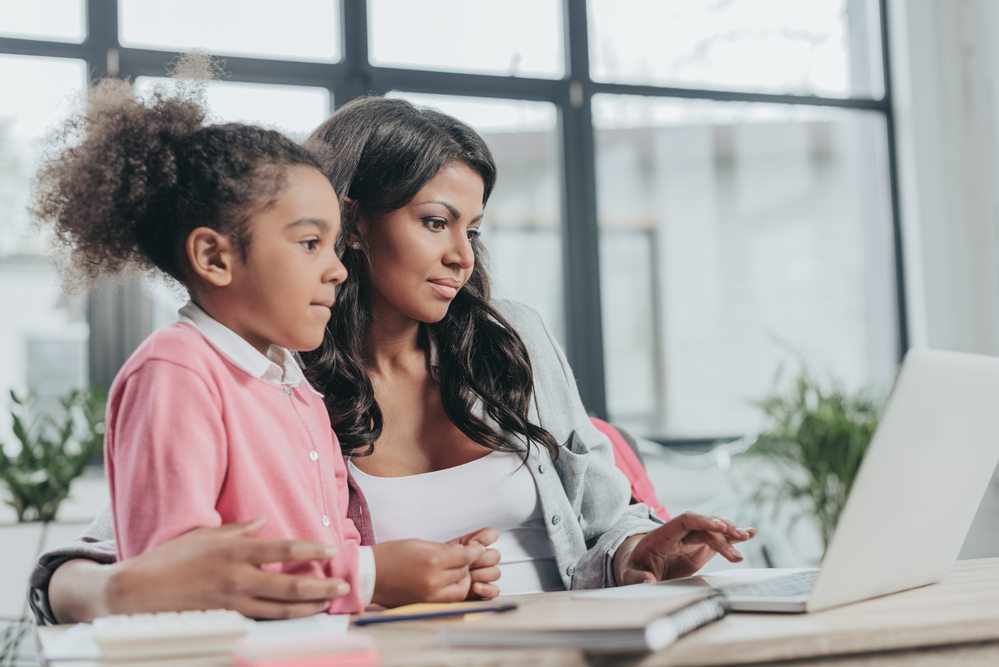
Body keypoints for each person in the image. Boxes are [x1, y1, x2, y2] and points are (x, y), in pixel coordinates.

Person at [30, 96, 753, 623]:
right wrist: (373, 571)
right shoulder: (267, 368)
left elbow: (605, 520)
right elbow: (136, 558)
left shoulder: (515, 341)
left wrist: (639, 554)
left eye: (472, 228)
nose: (461, 256)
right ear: (352, 223)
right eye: (434, 222)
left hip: (561, 640)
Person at [29, 71, 493, 621]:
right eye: (309, 243)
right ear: (215, 258)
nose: (338, 269)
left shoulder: (296, 387)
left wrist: (423, 575)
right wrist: (369, 574)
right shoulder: (175, 372)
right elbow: (177, 577)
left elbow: (334, 540)